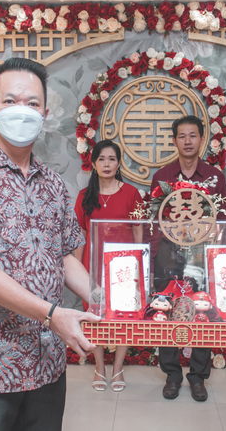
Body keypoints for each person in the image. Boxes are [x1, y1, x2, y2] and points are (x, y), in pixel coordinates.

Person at [0, 57, 100, 431]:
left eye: (31, 104)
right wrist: (50, 314)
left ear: (44, 112)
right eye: (10, 101)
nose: (21, 112)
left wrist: (105, 297)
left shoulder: (53, 184)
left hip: (47, 365)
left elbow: (65, 257)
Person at [149, 114, 226, 402]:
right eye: (181, 136)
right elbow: (153, 220)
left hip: (200, 257)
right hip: (168, 257)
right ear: (175, 141)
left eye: (192, 135)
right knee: (166, 312)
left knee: (202, 313)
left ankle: (198, 378)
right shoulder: (162, 177)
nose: (187, 141)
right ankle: (172, 375)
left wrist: (219, 258)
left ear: (201, 139)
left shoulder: (214, 177)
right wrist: (155, 258)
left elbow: (224, 221)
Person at [74, 139, 143, 392]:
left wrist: (139, 267)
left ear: (119, 163)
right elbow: (80, 236)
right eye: (101, 159)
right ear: (93, 163)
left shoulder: (132, 194)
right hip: (93, 268)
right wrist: (78, 270)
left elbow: (138, 233)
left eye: (111, 159)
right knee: (95, 317)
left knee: (123, 317)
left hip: (124, 269)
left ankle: (118, 369)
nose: (106, 163)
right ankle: (100, 368)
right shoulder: (84, 197)